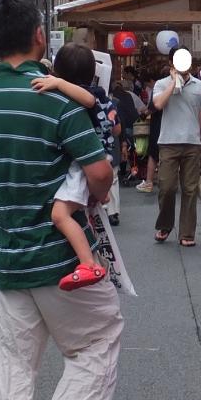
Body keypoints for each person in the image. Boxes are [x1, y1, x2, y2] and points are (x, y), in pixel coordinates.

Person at [0, 0, 120, 400]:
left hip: (6, 261)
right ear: (39, 36)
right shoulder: (56, 99)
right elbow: (99, 173)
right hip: (60, 258)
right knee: (96, 341)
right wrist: (94, 196)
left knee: (13, 371)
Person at [31, 43, 119, 286]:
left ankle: (88, 264)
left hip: (86, 161)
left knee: (60, 215)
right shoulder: (100, 94)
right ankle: (101, 196)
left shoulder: (85, 93)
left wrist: (58, 84)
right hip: (97, 158)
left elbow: (88, 100)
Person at [151, 48, 201, 247]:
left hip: (192, 142)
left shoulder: (199, 86)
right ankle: (165, 225)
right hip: (168, 142)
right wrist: (173, 83)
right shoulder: (161, 84)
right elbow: (158, 104)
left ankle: (187, 233)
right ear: (171, 63)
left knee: (190, 189)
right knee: (167, 187)